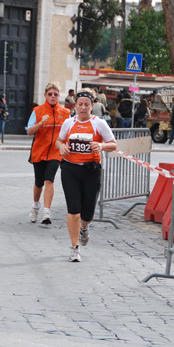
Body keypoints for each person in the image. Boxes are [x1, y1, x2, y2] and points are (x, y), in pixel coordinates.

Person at [55, 88, 117, 262]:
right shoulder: (68, 123)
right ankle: (74, 248)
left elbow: (113, 144)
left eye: (87, 105)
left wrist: (101, 146)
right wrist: (61, 147)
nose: (83, 108)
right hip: (70, 169)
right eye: (80, 104)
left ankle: (84, 227)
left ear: (92, 106)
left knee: (87, 214)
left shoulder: (99, 124)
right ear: (75, 105)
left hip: (91, 170)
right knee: (73, 211)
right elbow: (59, 140)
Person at [27, 82, 70, 226]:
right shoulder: (37, 111)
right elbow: (29, 131)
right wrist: (40, 123)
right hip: (39, 151)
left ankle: (46, 212)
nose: (53, 96)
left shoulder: (65, 113)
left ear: (59, 96)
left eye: (55, 94)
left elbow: (69, 132)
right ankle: (35, 206)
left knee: (49, 180)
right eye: (50, 94)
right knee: (39, 183)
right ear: (45, 95)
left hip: (55, 152)